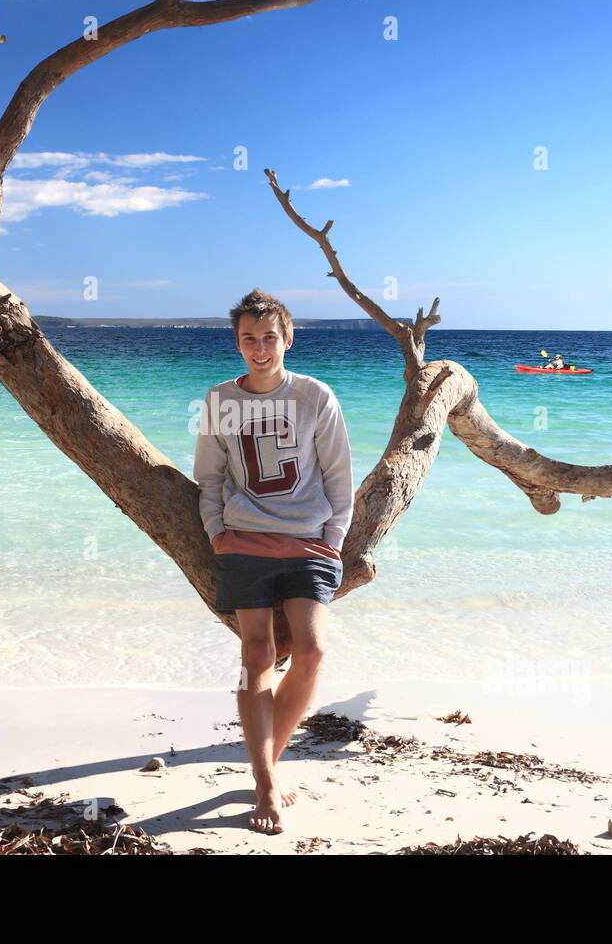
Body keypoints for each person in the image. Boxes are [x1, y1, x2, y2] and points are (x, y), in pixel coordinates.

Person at [193, 289, 353, 835]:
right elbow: (209, 476)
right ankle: (265, 781)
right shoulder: (220, 400)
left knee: (311, 651)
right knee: (257, 653)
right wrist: (217, 530)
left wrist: (334, 536)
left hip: (309, 539)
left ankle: (268, 760)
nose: (259, 349)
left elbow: (338, 474)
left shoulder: (315, 396)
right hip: (242, 540)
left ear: (286, 338)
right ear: (236, 342)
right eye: (248, 339)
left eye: (268, 337)